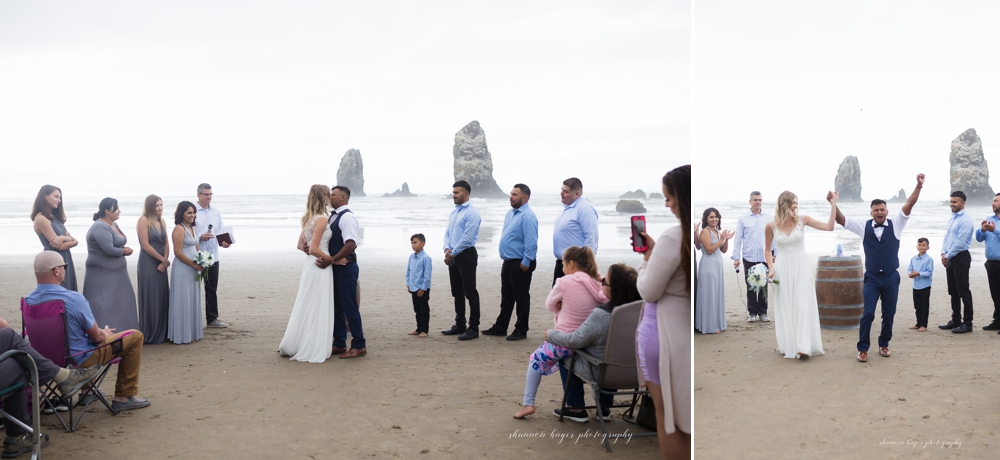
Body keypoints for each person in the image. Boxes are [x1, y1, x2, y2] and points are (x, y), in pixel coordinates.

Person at [25, 251, 151, 412]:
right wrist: (104, 333)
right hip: (77, 362)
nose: (65, 269)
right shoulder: (73, 299)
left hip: (44, 362)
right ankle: (123, 397)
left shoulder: (29, 301)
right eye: (64, 266)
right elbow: (96, 338)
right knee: (135, 337)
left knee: (78, 339)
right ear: (57, 271)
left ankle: (87, 392)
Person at [834, 173, 923, 362]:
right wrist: (833, 203)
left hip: (891, 277)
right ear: (871, 212)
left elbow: (909, 204)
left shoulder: (897, 224)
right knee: (867, 313)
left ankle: (884, 344)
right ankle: (863, 348)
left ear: (887, 211)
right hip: (872, 278)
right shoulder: (862, 226)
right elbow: (841, 220)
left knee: (889, 314)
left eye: (882, 209)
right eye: (876, 210)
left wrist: (918, 186)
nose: (880, 212)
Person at [633, 165, 691, 459]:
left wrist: (647, 259)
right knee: (684, 416)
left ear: (681, 196)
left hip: (662, 334)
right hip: (681, 333)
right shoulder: (689, 236)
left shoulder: (673, 236)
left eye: (669, 198)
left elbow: (648, 290)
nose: (667, 204)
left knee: (667, 417)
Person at [512, 246, 607, 420]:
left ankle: (528, 404)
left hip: (566, 339)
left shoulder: (564, 282)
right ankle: (604, 408)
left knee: (536, 360)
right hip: (594, 341)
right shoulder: (600, 279)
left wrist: (562, 304)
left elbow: (550, 305)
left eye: (563, 262)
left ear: (570, 264)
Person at [547, 263, 642, 422]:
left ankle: (576, 408)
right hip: (637, 373)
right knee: (615, 356)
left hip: (602, 373)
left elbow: (574, 340)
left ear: (615, 289)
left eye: (605, 282)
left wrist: (551, 335)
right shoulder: (644, 312)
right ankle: (604, 408)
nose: (602, 284)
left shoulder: (602, 315)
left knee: (565, 356)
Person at [0, 319, 102, 458]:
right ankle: (17, 436)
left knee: (16, 358)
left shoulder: (30, 302)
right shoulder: (75, 301)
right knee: (11, 341)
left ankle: (18, 436)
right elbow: (97, 337)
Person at [764, 191, 838, 359]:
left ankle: (803, 346)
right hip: (782, 267)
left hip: (801, 265)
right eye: (793, 203)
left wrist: (833, 204)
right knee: (787, 305)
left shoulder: (803, 220)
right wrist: (771, 268)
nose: (796, 206)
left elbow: (829, 227)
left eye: (797, 203)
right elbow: (767, 250)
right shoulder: (771, 225)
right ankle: (789, 343)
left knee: (803, 304)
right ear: (784, 204)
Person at [278, 185, 336, 362]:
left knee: (308, 301)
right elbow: (313, 247)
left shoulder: (308, 219)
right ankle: (311, 344)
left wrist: (313, 253)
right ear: (323, 198)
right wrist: (331, 259)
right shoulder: (322, 219)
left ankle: (296, 341)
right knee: (318, 302)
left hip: (310, 264)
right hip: (321, 264)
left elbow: (300, 246)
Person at [483, 184, 538, 341]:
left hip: (521, 262)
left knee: (521, 297)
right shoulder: (511, 213)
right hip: (509, 261)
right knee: (507, 296)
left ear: (524, 198)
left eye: (515, 194)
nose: (511, 197)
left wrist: (526, 260)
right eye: (511, 194)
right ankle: (501, 327)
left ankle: (521, 329)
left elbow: (531, 241)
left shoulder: (528, 216)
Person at [317, 185, 366, 358]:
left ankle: (359, 344)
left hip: (346, 268)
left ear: (343, 198)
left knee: (349, 306)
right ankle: (339, 342)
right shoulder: (332, 217)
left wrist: (332, 259)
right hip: (335, 267)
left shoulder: (347, 218)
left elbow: (350, 244)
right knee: (336, 306)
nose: (330, 197)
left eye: (334, 195)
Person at [82, 197, 138, 332]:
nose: (119, 211)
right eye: (116, 208)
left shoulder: (113, 224)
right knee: (105, 304)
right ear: (107, 210)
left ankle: (124, 331)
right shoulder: (100, 226)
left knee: (120, 303)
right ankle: (106, 332)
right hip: (104, 274)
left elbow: (118, 242)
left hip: (117, 273)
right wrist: (123, 251)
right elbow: (109, 249)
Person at [440, 180, 483, 341]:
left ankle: (473, 328)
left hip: (466, 255)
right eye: (453, 192)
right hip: (453, 255)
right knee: (457, 292)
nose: (454, 195)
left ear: (466, 193)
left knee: (470, 292)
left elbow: (467, 238)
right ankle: (460, 324)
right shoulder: (455, 212)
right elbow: (447, 233)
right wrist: (446, 249)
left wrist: (453, 253)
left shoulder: (472, 213)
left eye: (457, 193)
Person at [731, 191, 775, 322]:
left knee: (763, 285)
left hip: (764, 256)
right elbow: (738, 238)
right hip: (748, 256)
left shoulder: (768, 217)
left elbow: (774, 236)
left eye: (760, 200)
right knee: (750, 285)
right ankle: (752, 312)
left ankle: (763, 312)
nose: (758, 202)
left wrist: (775, 253)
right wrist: (736, 257)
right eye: (755, 200)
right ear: (750, 201)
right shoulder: (743, 218)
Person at [194, 183, 231, 329]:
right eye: (206, 194)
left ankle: (212, 319)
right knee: (194, 287)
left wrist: (224, 242)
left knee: (211, 288)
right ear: (198, 195)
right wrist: (200, 237)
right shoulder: (192, 211)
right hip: (196, 257)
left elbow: (220, 231)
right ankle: (193, 318)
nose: (209, 197)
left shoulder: (216, 212)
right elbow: (185, 233)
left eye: (210, 194)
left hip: (213, 257)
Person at [168, 201, 204, 345]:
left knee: (193, 298)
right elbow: (177, 252)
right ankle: (183, 335)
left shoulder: (193, 229)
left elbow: (197, 249)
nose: (192, 215)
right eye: (189, 212)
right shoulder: (179, 228)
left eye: (194, 212)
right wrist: (193, 264)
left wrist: (202, 261)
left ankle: (193, 332)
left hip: (194, 267)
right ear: (181, 214)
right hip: (183, 268)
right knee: (184, 299)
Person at [939, 190, 975, 333]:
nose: (951, 204)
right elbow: (946, 237)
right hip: (950, 256)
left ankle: (968, 323)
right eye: (951, 201)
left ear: (963, 203)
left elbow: (960, 243)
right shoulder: (953, 218)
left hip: (960, 257)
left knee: (963, 291)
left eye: (955, 202)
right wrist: (943, 253)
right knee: (953, 291)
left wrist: (947, 256)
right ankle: (955, 320)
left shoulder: (966, 220)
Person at [31, 184, 79, 291]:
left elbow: (73, 240)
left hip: (65, 257)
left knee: (68, 290)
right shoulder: (41, 219)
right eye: (56, 197)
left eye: (60, 197)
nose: (59, 200)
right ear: (45, 196)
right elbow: (59, 247)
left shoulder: (55, 218)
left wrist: (62, 238)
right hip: (53, 260)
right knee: (59, 292)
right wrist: (70, 240)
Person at [136, 195, 170, 344]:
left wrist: (165, 259)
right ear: (150, 206)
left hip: (162, 263)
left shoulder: (161, 221)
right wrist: (162, 259)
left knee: (162, 295)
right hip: (148, 262)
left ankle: (164, 331)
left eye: (161, 205)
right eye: (157, 205)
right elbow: (145, 245)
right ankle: (151, 333)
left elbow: (166, 243)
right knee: (151, 295)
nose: (160, 208)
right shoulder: (143, 220)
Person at [552, 177, 598, 286]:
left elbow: (591, 237)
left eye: (566, 191)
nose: (561, 193)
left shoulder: (584, 209)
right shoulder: (567, 207)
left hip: (576, 266)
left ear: (576, 194)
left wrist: (586, 266)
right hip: (562, 263)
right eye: (562, 190)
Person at [695, 208, 733, 335]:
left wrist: (726, 239)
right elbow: (709, 250)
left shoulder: (716, 231)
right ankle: (710, 326)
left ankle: (717, 322)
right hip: (709, 267)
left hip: (717, 265)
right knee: (709, 295)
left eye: (716, 217)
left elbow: (723, 251)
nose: (714, 219)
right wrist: (721, 239)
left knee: (716, 294)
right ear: (706, 219)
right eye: (711, 217)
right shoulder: (705, 232)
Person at [976, 192, 1000, 332]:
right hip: (990, 263)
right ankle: (997, 321)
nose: (993, 203)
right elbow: (979, 238)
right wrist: (983, 229)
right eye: (992, 200)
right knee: (995, 293)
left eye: (996, 201)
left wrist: (995, 230)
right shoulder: (989, 219)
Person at [406, 233, 432, 338]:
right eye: (412, 243)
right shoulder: (411, 257)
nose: (413, 245)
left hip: (423, 288)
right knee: (417, 309)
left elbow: (427, 275)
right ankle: (419, 328)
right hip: (413, 286)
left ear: (422, 244)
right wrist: (408, 284)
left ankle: (424, 330)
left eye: (415, 243)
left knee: (424, 309)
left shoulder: (426, 258)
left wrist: (423, 288)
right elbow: (408, 271)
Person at [907, 238, 933, 331]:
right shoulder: (913, 258)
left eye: (923, 245)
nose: (921, 247)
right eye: (919, 245)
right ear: (916, 246)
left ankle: (923, 325)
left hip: (925, 286)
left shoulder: (929, 259)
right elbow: (909, 269)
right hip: (915, 286)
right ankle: (918, 323)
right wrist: (911, 274)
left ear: (928, 247)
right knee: (917, 306)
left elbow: (929, 273)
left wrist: (918, 273)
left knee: (924, 306)